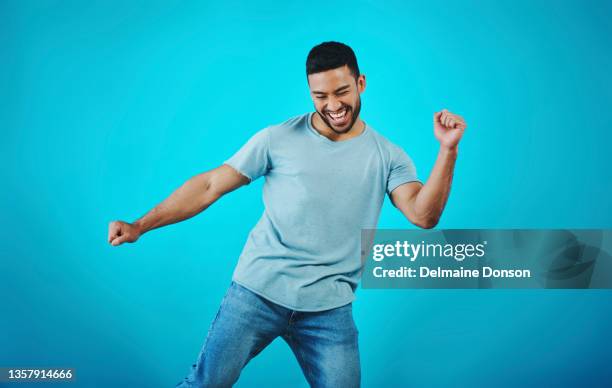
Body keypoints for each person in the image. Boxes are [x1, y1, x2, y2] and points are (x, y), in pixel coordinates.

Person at [108, 41, 467, 387]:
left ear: (361, 83)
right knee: (206, 383)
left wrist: (447, 149)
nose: (333, 105)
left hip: (330, 310)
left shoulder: (388, 156)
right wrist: (140, 225)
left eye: (341, 91)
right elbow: (209, 186)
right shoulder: (277, 139)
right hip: (256, 293)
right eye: (320, 96)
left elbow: (424, 215)